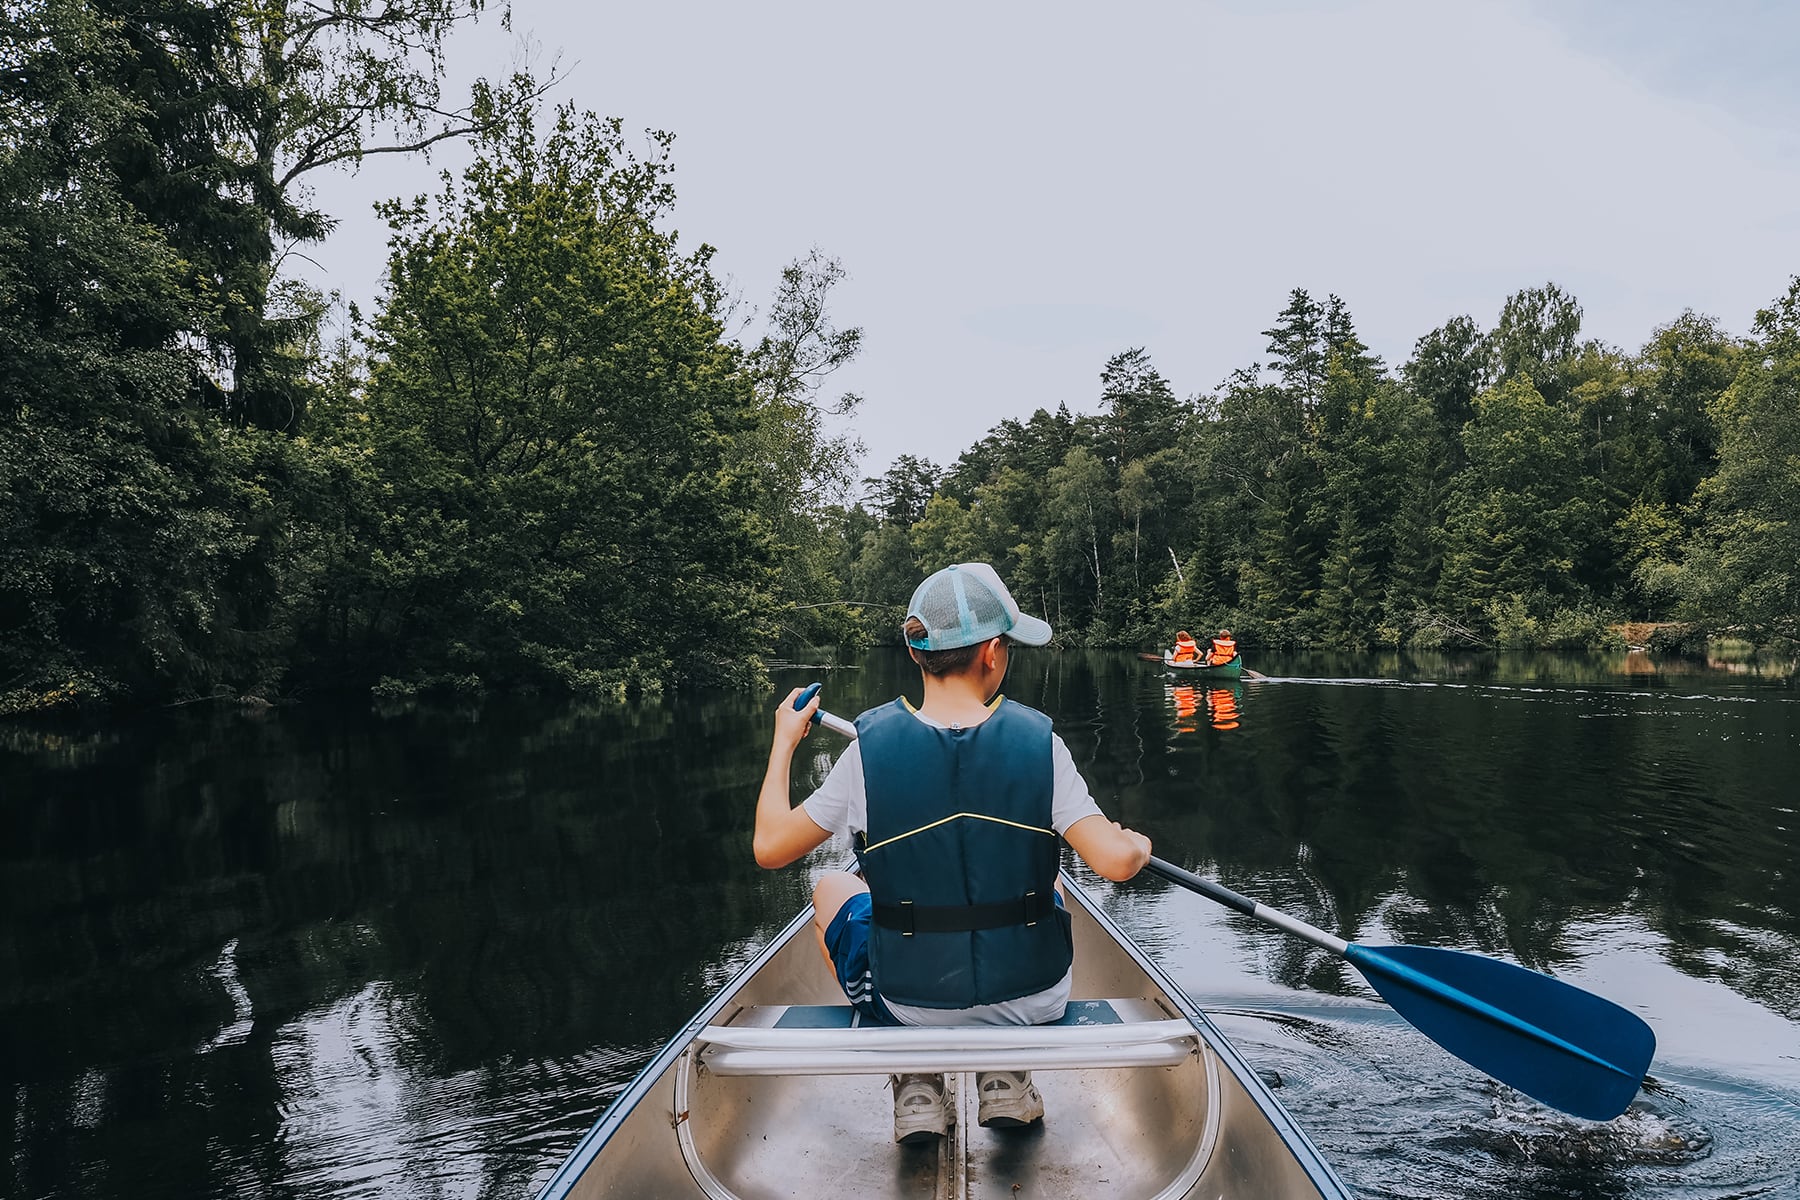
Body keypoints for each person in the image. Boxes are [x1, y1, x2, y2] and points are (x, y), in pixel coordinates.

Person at [754, 562, 1154, 1146]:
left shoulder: (866, 753)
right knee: (1054, 883)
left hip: (911, 1001)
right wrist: (1135, 843)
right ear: (992, 653)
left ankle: (917, 1081)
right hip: (1033, 999)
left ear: (919, 655)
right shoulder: (1042, 743)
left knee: (831, 888)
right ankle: (1007, 1078)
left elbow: (769, 847)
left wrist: (783, 745)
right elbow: (1115, 863)